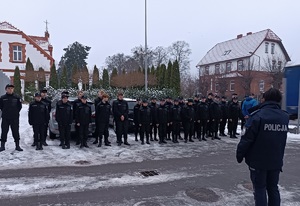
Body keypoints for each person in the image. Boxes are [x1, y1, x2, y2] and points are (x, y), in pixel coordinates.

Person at [236, 88, 289, 206]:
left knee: (260, 189)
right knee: (273, 188)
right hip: (276, 161)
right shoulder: (284, 117)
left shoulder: (257, 116)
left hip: (258, 161)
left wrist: (240, 154)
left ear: (264, 99)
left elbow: (247, 139)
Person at [0, 84, 23, 152]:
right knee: (4, 132)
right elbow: (1, 106)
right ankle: (2, 146)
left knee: (15, 132)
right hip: (5, 118)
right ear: (6, 89)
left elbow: (19, 107)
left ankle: (17, 146)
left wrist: (15, 112)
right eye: (9, 88)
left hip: (14, 118)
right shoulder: (2, 97)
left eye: (12, 88)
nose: (10, 89)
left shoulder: (17, 97)